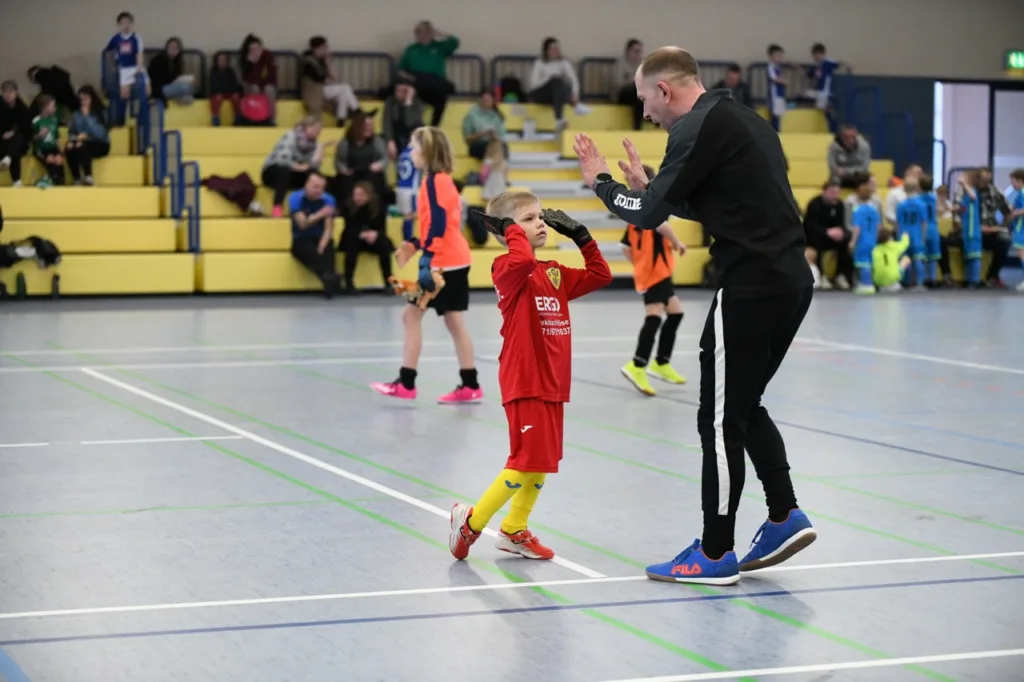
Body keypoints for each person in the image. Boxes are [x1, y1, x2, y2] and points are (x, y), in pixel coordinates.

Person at [573, 46, 816, 585]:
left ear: (665, 89)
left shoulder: (695, 128)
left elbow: (650, 215)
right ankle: (783, 515)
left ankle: (714, 551)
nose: (644, 113)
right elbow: (709, 203)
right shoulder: (740, 120)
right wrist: (648, 187)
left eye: (643, 99)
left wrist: (601, 182)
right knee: (744, 404)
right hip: (791, 282)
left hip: (750, 287)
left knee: (718, 419)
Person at [448, 193, 612, 561]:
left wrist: (582, 236)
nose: (540, 223)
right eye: (529, 219)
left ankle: (513, 530)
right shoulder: (506, 267)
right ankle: (470, 523)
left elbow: (601, 275)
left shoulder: (552, 272)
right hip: (525, 379)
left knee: (541, 462)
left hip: (553, 382)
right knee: (524, 460)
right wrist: (511, 232)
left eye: (541, 217)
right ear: (507, 232)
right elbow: (521, 257)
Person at [370, 127, 481, 404]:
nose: (410, 152)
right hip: (455, 259)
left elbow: (440, 226)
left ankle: (406, 383)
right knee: (454, 321)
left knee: (411, 317)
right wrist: (415, 244)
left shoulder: (433, 182)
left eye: (414, 146)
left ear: (428, 151)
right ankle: (470, 385)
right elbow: (439, 226)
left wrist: (426, 262)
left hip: (442, 264)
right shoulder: (441, 181)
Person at [619, 165, 687, 397]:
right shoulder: (649, 204)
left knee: (675, 312)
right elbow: (662, 224)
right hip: (655, 272)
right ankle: (637, 365)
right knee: (655, 315)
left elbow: (624, 247)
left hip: (655, 271)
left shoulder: (632, 208)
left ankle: (661, 363)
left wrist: (639, 263)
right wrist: (678, 243)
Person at [261, 117, 329, 217]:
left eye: (319, 131)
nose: (317, 133)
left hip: (294, 175)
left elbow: (314, 166)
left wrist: (320, 148)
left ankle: (314, 208)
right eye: (315, 129)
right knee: (284, 171)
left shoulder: (315, 144)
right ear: (307, 127)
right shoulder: (290, 136)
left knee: (316, 176)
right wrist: (300, 167)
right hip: (274, 171)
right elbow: (283, 159)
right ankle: (277, 207)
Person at [288, 172, 340, 298]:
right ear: (307, 185)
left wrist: (322, 244)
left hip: (320, 236)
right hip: (301, 238)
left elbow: (328, 228)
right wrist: (320, 214)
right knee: (308, 251)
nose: (319, 191)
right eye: (315, 187)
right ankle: (330, 277)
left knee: (328, 246)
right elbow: (302, 224)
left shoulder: (328, 199)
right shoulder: (295, 198)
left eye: (321, 188)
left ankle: (328, 279)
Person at [397, 21, 459, 128]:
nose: (419, 34)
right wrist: (410, 78)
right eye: (417, 32)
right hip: (417, 83)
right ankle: (412, 126)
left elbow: (455, 42)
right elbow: (401, 70)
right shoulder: (411, 49)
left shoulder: (439, 47)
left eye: (422, 31)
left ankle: (434, 126)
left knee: (442, 93)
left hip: (435, 84)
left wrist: (440, 34)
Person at [340, 181, 394, 294]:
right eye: (355, 195)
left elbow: (382, 228)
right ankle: (348, 283)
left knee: (383, 244)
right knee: (351, 245)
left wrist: (375, 234)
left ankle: (388, 282)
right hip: (354, 237)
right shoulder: (348, 206)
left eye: (360, 195)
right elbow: (349, 227)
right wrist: (362, 234)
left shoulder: (378, 206)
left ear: (368, 195)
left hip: (372, 238)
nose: (357, 198)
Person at [802, 180, 851, 290]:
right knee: (817, 241)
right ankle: (822, 275)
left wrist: (840, 231)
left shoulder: (840, 205)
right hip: (817, 235)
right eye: (832, 192)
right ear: (824, 191)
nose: (835, 195)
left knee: (845, 241)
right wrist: (827, 231)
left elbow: (843, 224)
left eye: (837, 192)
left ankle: (840, 275)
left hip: (833, 237)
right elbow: (809, 225)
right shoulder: (815, 204)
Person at [105, 12, 147, 124]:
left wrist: (139, 67)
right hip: (124, 69)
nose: (126, 25)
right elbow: (108, 53)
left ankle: (140, 117)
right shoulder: (114, 39)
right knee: (123, 94)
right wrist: (112, 65)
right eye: (123, 23)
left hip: (135, 67)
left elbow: (139, 53)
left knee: (144, 88)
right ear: (119, 25)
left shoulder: (136, 37)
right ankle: (122, 119)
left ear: (132, 24)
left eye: (128, 22)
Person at [64, 86, 110, 186]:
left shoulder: (100, 113)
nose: (83, 102)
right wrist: (72, 140)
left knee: (82, 146)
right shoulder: (76, 114)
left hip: (99, 143)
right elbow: (72, 131)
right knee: (69, 148)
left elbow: (100, 134)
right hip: (81, 141)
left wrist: (87, 117)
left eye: (86, 99)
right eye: (81, 99)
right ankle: (76, 178)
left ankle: (88, 176)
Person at [849, 177, 882, 295]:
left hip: (862, 241)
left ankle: (866, 284)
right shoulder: (874, 211)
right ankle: (871, 283)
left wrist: (852, 242)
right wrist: (876, 238)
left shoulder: (857, 211)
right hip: (872, 240)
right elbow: (878, 226)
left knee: (863, 263)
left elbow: (857, 228)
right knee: (870, 261)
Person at [895, 179, 928, 289]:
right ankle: (920, 283)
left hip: (904, 235)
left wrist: (899, 237)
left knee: (904, 259)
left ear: (904, 189)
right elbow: (924, 223)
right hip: (917, 235)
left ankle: (906, 281)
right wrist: (923, 237)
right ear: (917, 188)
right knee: (918, 258)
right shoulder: (922, 205)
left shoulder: (901, 205)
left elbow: (898, 223)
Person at [0, 81, 32, 188]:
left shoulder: (22, 107)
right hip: (2, 141)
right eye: (5, 92)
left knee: (17, 140)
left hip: (19, 141)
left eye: (11, 92)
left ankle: (8, 158)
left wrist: (13, 132)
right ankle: (17, 180)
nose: (8, 95)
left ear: (16, 92)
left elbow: (26, 128)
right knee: (14, 151)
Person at [31, 95, 64, 187]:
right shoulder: (36, 121)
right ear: (45, 107)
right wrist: (40, 135)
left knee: (59, 160)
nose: (55, 108)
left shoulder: (54, 120)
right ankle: (51, 180)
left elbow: (57, 137)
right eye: (52, 106)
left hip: (53, 147)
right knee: (50, 160)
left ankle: (60, 181)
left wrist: (61, 152)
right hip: (41, 148)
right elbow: (32, 138)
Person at [957, 171, 983, 288]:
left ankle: (975, 280)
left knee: (974, 256)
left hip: (973, 230)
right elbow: (963, 208)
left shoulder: (973, 192)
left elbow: (973, 196)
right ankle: (968, 279)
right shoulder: (965, 195)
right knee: (968, 256)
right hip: (966, 230)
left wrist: (963, 184)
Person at [918, 174, 943, 287]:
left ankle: (922, 279)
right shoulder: (934, 198)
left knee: (922, 256)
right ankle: (932, 278)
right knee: (933, 257)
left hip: (922, 229)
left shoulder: (918, 199)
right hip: (933, 228)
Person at [616, 39, 646, 130]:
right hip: (624, 94)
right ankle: (637, 126)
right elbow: (617, 83)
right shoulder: (620, 64)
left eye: (640, 51)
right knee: (637, 94)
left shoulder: (643, 65)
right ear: (628, 51)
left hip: (638, 94)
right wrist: (633, 80)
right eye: (636, 51)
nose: (638, 54)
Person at [872, 228, 911, 292]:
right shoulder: (894, 247)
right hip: (892, 280)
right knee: (906, 259)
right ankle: (907, 283)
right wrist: (905, 236)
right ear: (889, 238)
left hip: (878, 281)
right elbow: (905, 244)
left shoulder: (875, 249)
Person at [1009, 168, 1024, 292]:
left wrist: (1015, 213)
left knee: (1022, 253)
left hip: (1022, 227)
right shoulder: (1019, 193)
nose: (1012, 184)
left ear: (1020, 181)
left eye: (1013, 181)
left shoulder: (1023, 193)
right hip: (1020, 227)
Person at [766, 44, 786, 131]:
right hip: (774, 96)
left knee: (779, 116)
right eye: (777, 55)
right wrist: (784, 81)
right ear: (771, 56)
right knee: (774, 116)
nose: (780, 57)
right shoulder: (770, 67)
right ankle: (774, 132)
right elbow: (774, 78)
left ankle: (778, 132)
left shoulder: (778, 67)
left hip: (780, 95)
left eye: (781, 55)